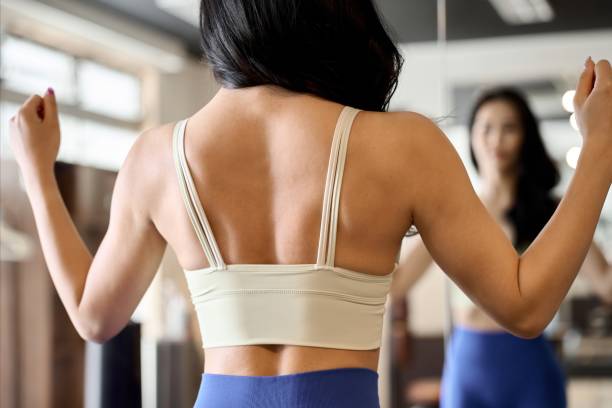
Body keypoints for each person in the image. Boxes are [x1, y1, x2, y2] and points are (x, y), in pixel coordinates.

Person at [7, 0, 612, 406]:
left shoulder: (156, 157)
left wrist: (37, 168)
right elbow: (526, 305)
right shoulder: (402, 145)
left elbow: (94, 318)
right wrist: (600, 149)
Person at [390, 87, 612, 407]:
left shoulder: (550, 213)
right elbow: (396, 286)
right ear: (472, 138)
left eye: (509, 128)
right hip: (469, 369)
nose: (496, 140)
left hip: (530, 369)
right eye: (486, 128)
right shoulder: (449, 214)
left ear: (526, 137)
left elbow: (605, 283)